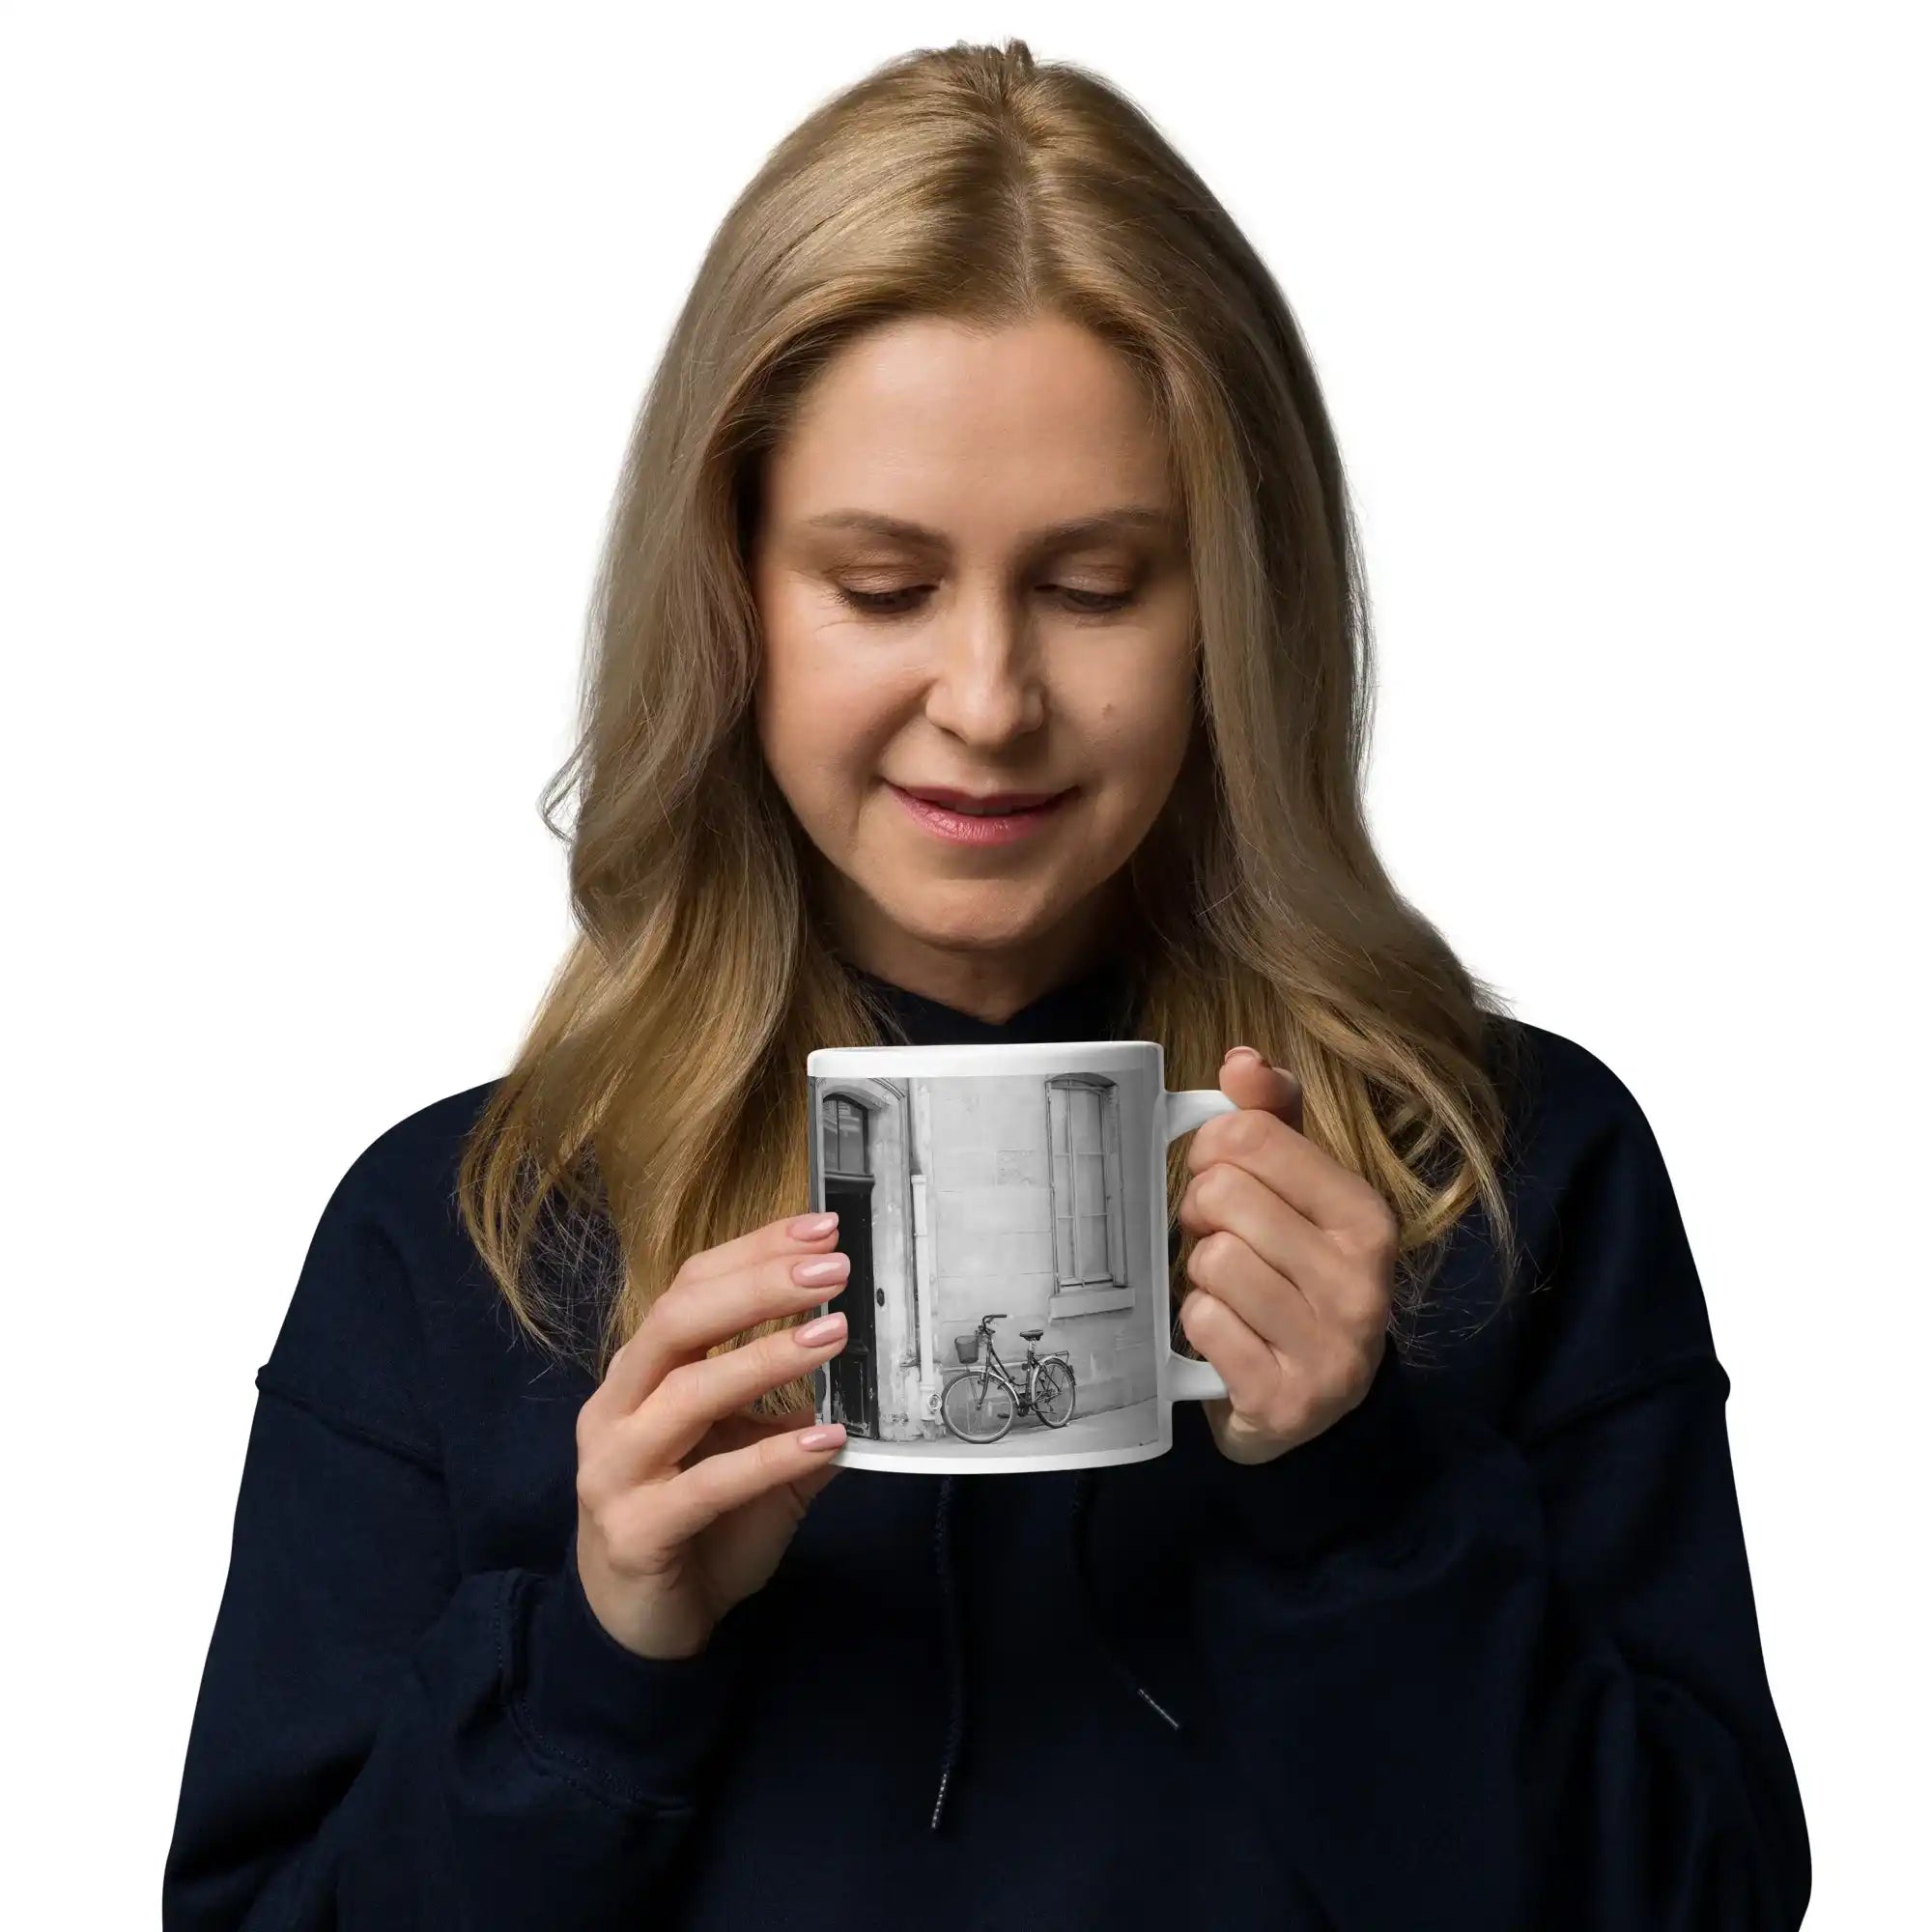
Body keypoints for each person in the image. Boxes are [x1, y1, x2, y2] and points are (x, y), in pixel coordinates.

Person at [160, 37, 1810, 1932]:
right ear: (729, 599)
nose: (989, 699)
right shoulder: (464, 1234)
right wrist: (607, 1654)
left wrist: (1357, 1503)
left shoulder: (1505, 1178)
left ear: (1238, 609)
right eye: (881, 587)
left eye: (1095, 586)